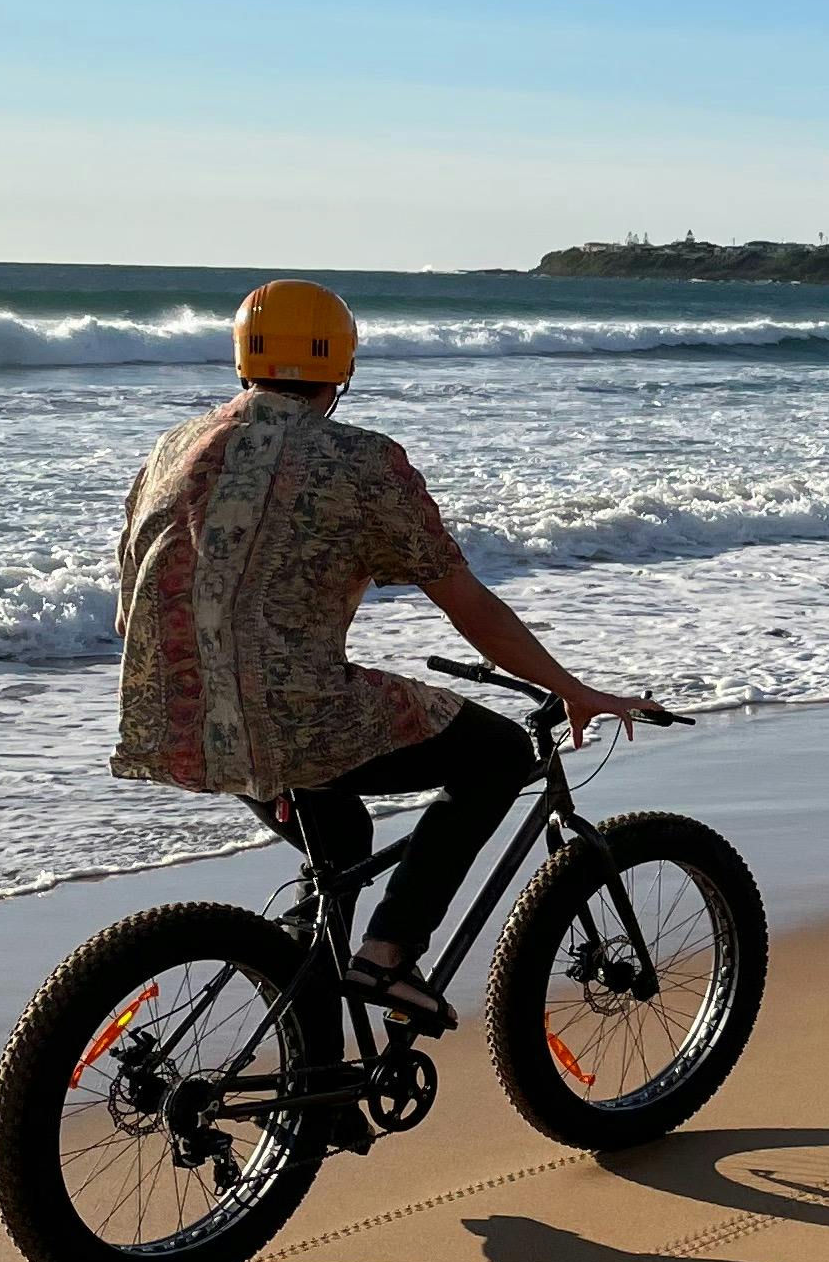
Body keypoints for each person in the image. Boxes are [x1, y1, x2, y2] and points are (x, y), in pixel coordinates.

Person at [112, 279, 662, 1029]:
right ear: (342, 369)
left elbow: (133, 607)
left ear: (242, 361)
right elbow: (466, 603)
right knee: (498, 754)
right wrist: (572, 687)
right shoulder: (362, 461)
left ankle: (316, 1069)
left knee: (339, 842)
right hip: (291, 719)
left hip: (177, 716)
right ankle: (389, 955)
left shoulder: (170, 450)